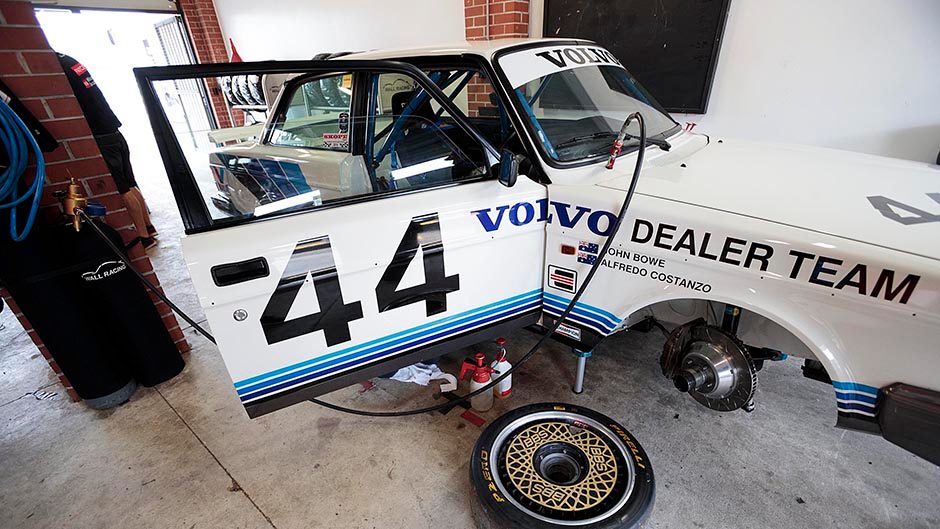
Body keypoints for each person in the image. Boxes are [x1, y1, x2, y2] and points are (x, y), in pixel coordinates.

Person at [56, 53, 158, 251]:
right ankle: (148, 227)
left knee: (123, 188)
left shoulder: (58, 66)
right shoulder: (69, 61)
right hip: (113, 131)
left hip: (102, 137)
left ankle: (143, 237)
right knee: (130, 182)